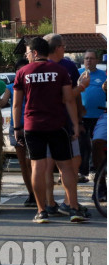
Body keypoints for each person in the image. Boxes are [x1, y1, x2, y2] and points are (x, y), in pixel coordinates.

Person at [13, 37, 87, 223]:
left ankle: (41, 210)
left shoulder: (23, 72)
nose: (27, 55)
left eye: (28, 52)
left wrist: (17, 127)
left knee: (37, 167)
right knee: (66, 166)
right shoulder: (60, 70)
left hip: (33, 126)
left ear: (35, 52)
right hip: (58, 125)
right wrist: (75, 124)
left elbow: (16, 104)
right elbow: (69, 99)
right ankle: (74, 208)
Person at [42, 33, 90, 217]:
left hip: (61, 122)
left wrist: (79, 118)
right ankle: (52, 203)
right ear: (57, 47)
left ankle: (67, 202)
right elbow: (68, 96)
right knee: (53, 165)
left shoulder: (68, 65)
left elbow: (74, 97)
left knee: (71, 163)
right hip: (58, 123)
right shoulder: (46, 67)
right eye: (63, 45)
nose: (66, 47)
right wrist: (82, 87)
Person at [5, 58, 35, 207]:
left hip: (32, 126)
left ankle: (38, 193)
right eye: (19, 71)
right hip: (16, 127)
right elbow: (2, 102)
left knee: (33, 163)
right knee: (23, 164)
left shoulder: (33, 86)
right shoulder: (10, 87)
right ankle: (31, 194)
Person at [78, 50, 107, 179]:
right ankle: (83, 172)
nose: (88, 60)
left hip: (99, 116)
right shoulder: (78, 74)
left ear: (96, 60)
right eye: (86, 58)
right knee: (83, 145)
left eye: (91, 58)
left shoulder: (103, 75)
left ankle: (95, 170)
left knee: (97, 145)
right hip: (82, 116)